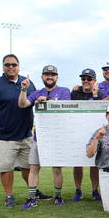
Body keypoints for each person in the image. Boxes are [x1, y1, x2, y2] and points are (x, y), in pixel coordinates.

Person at [0, 54, 51, 207]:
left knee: (29, 166)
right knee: (6, 168)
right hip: (3, 136)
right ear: (3, 66)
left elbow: (35, 100)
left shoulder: (28, 83)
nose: (11, 67)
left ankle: (33, 191)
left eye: (14, 64)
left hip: (25, 135)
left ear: (18, 66)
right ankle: (9, 196)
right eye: (7, 65)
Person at [18, 65, 71, 209]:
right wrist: (23, 89)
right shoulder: (36, 93)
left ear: (57, 77)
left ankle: (58, 196)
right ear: (42, 77)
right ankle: (31, 198)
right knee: (34, 167)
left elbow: (65, 107)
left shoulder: (64, 91)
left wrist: (47, 100)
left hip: (56, 137)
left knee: (57, 168)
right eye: (47, 74)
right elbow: (22, 104)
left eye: (52, 74)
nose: (49, 77)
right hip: (39, 137)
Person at [70, 68, 102, 202]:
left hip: (94, 132)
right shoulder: (75, 93)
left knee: (94, 163)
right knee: (77, 163)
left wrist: (95, 96)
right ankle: (78, 190)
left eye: (89, 79)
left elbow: (99, 110)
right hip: (77, 131)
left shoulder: (100, 93)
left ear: (94, 81)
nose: (86, 81)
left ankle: (95, 190)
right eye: (83, 79)